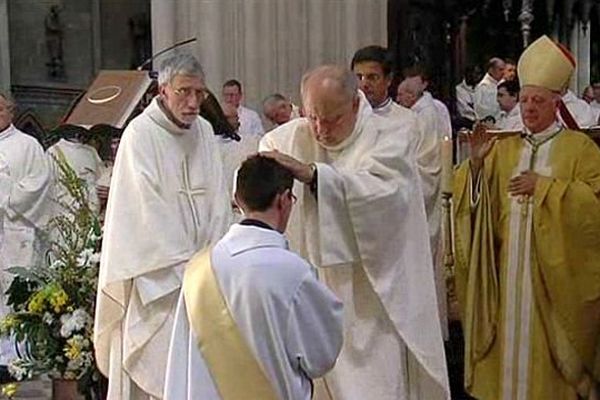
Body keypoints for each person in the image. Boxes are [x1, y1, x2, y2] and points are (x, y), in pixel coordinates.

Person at [260, 65, 449, 400]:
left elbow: (384, 197)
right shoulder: (292, 136)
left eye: (332, 119)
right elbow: (264, 159)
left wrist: (315, 176)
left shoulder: (389, 137)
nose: (320, 130)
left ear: (356, 105)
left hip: (372, 300)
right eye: (312, 117)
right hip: (314, 297)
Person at [454, 35, 600, 400]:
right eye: (524, 101)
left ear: (556, 103)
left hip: (553, 279)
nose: (529, 108)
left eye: (538, 101)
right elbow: (475, 208)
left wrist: (547, 188)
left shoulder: (580, 148)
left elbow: (594, 207)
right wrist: (473, 166)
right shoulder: (504, 145)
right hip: (508, 275)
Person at [94, 54, 231, 399]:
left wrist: (210, 259)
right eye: (184, 91)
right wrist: (187, 266)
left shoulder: (203, 131)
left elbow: (218, 199)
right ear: (163, 90)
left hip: (203, 276)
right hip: (158, 280)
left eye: (200, 93)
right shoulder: (140, 136)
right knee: (160, 373)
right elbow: (144, 213)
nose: (193, 102)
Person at [163, 155, 344, 400]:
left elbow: (179, 367)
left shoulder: (198, 269)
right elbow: (321, 357)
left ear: (237, 200)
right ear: (284, 201)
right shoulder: (294, 272)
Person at [0, 92, 54, 369]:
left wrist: (6, 195)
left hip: (16, 232)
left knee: (14, 298)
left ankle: (16, 361)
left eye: (0, 109)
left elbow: (39, 183)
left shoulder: (28, 146)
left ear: (10, 112)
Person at [350, 45, 421, 153]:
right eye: (359, 77)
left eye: (372, 77)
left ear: (388, 80)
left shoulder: (407, 121)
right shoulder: (345, 118)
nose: (364, 84)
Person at [46, 124, 105, 212]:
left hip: (93, 208)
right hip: (66, 209)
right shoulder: (53, 152)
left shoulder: (91, 151)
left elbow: (100, 178)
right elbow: (50, 185)